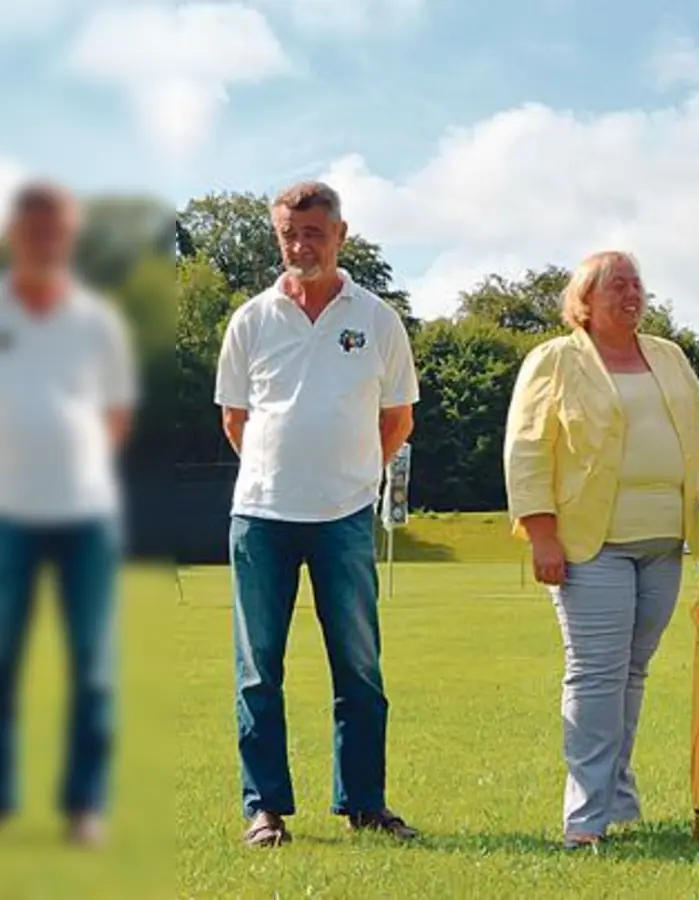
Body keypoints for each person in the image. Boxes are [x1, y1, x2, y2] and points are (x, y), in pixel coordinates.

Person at [503, 250, 699, 850]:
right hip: (590, 543)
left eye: (637, 285)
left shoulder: (669, 356)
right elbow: (527, 449)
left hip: (664, 542)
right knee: (596, 675)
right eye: (616, 287)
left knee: (631, 674)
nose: (631, 295)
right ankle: (585, 816)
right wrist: (541, 531)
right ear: (584, 300)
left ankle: (617, 799)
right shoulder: (553, 361)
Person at [214, 181, 421, 848]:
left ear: (340, 234)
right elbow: (235, 420)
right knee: (257, 671)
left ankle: (363, 803)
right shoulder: (251, 319)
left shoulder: (378, 319)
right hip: (261, 516)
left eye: (314, 233)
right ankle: (265, 809)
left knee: (359, 668)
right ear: (278, 237)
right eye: (288, 235)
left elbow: (398, 417)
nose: (301, 246)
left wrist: (354, 476)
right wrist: (280, 474)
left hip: (345, 516)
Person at [0, 181, 138, 847]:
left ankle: (84, 803)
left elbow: (115, 413)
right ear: (15, 237)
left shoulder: (96, 321)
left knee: (91, 665)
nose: (44, 242)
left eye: (55, 231)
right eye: (32, 230)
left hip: (85, 515)